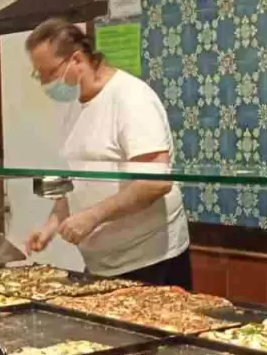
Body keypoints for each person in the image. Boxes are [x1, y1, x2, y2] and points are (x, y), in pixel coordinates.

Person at [24, 18, 192, 289]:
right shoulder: (73, 106)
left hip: (150, 260)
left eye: (48, 74)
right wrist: (51, 226)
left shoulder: (131, 98)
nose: (44, 83)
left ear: (77, 60)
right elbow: (76, 183)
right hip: (101, 264)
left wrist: (92, 216)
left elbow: (155, 182)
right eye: (38, 75)